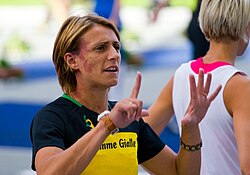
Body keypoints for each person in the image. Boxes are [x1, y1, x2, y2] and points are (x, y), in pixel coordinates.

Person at [30, 14, 221, 174]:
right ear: (72, 61)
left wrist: (190, 127)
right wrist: (107, 125)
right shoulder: (52, 117)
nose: (114, 55)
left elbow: (180, 172)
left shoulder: (128, 119)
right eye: (101, 48)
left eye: (116, 47)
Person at [144, 0, 250, 174]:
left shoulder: (181, 74)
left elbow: (141, 136)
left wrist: (173, 166)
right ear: (245, 26)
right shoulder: (240, 87)